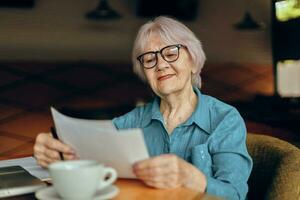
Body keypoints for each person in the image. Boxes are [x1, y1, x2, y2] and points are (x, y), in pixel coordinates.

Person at [33, 16, 252, 199]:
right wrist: (57, 153)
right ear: (145, 74)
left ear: (194, 61)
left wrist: (190, 177)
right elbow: (89, 158)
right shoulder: (130, 122)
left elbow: (235, 194)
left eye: (170, 53)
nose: (161, 64)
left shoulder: (225, 119)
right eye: (149, 59)